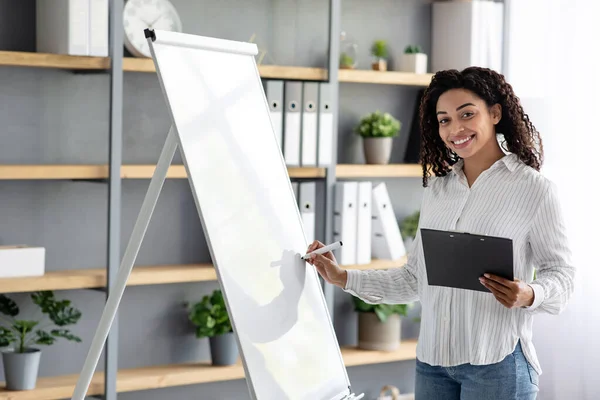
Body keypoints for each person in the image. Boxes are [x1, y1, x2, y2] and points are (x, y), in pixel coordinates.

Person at [305, 66, 575, 400]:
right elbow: (414, 278)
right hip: (433, 365)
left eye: (467, 114)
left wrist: (530, 293)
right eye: (444, 119)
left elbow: (563, 276)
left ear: (495, 113)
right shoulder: (437, 190)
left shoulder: (534, 190)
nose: (455, 128)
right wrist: (342, 276)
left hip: (498, 364)